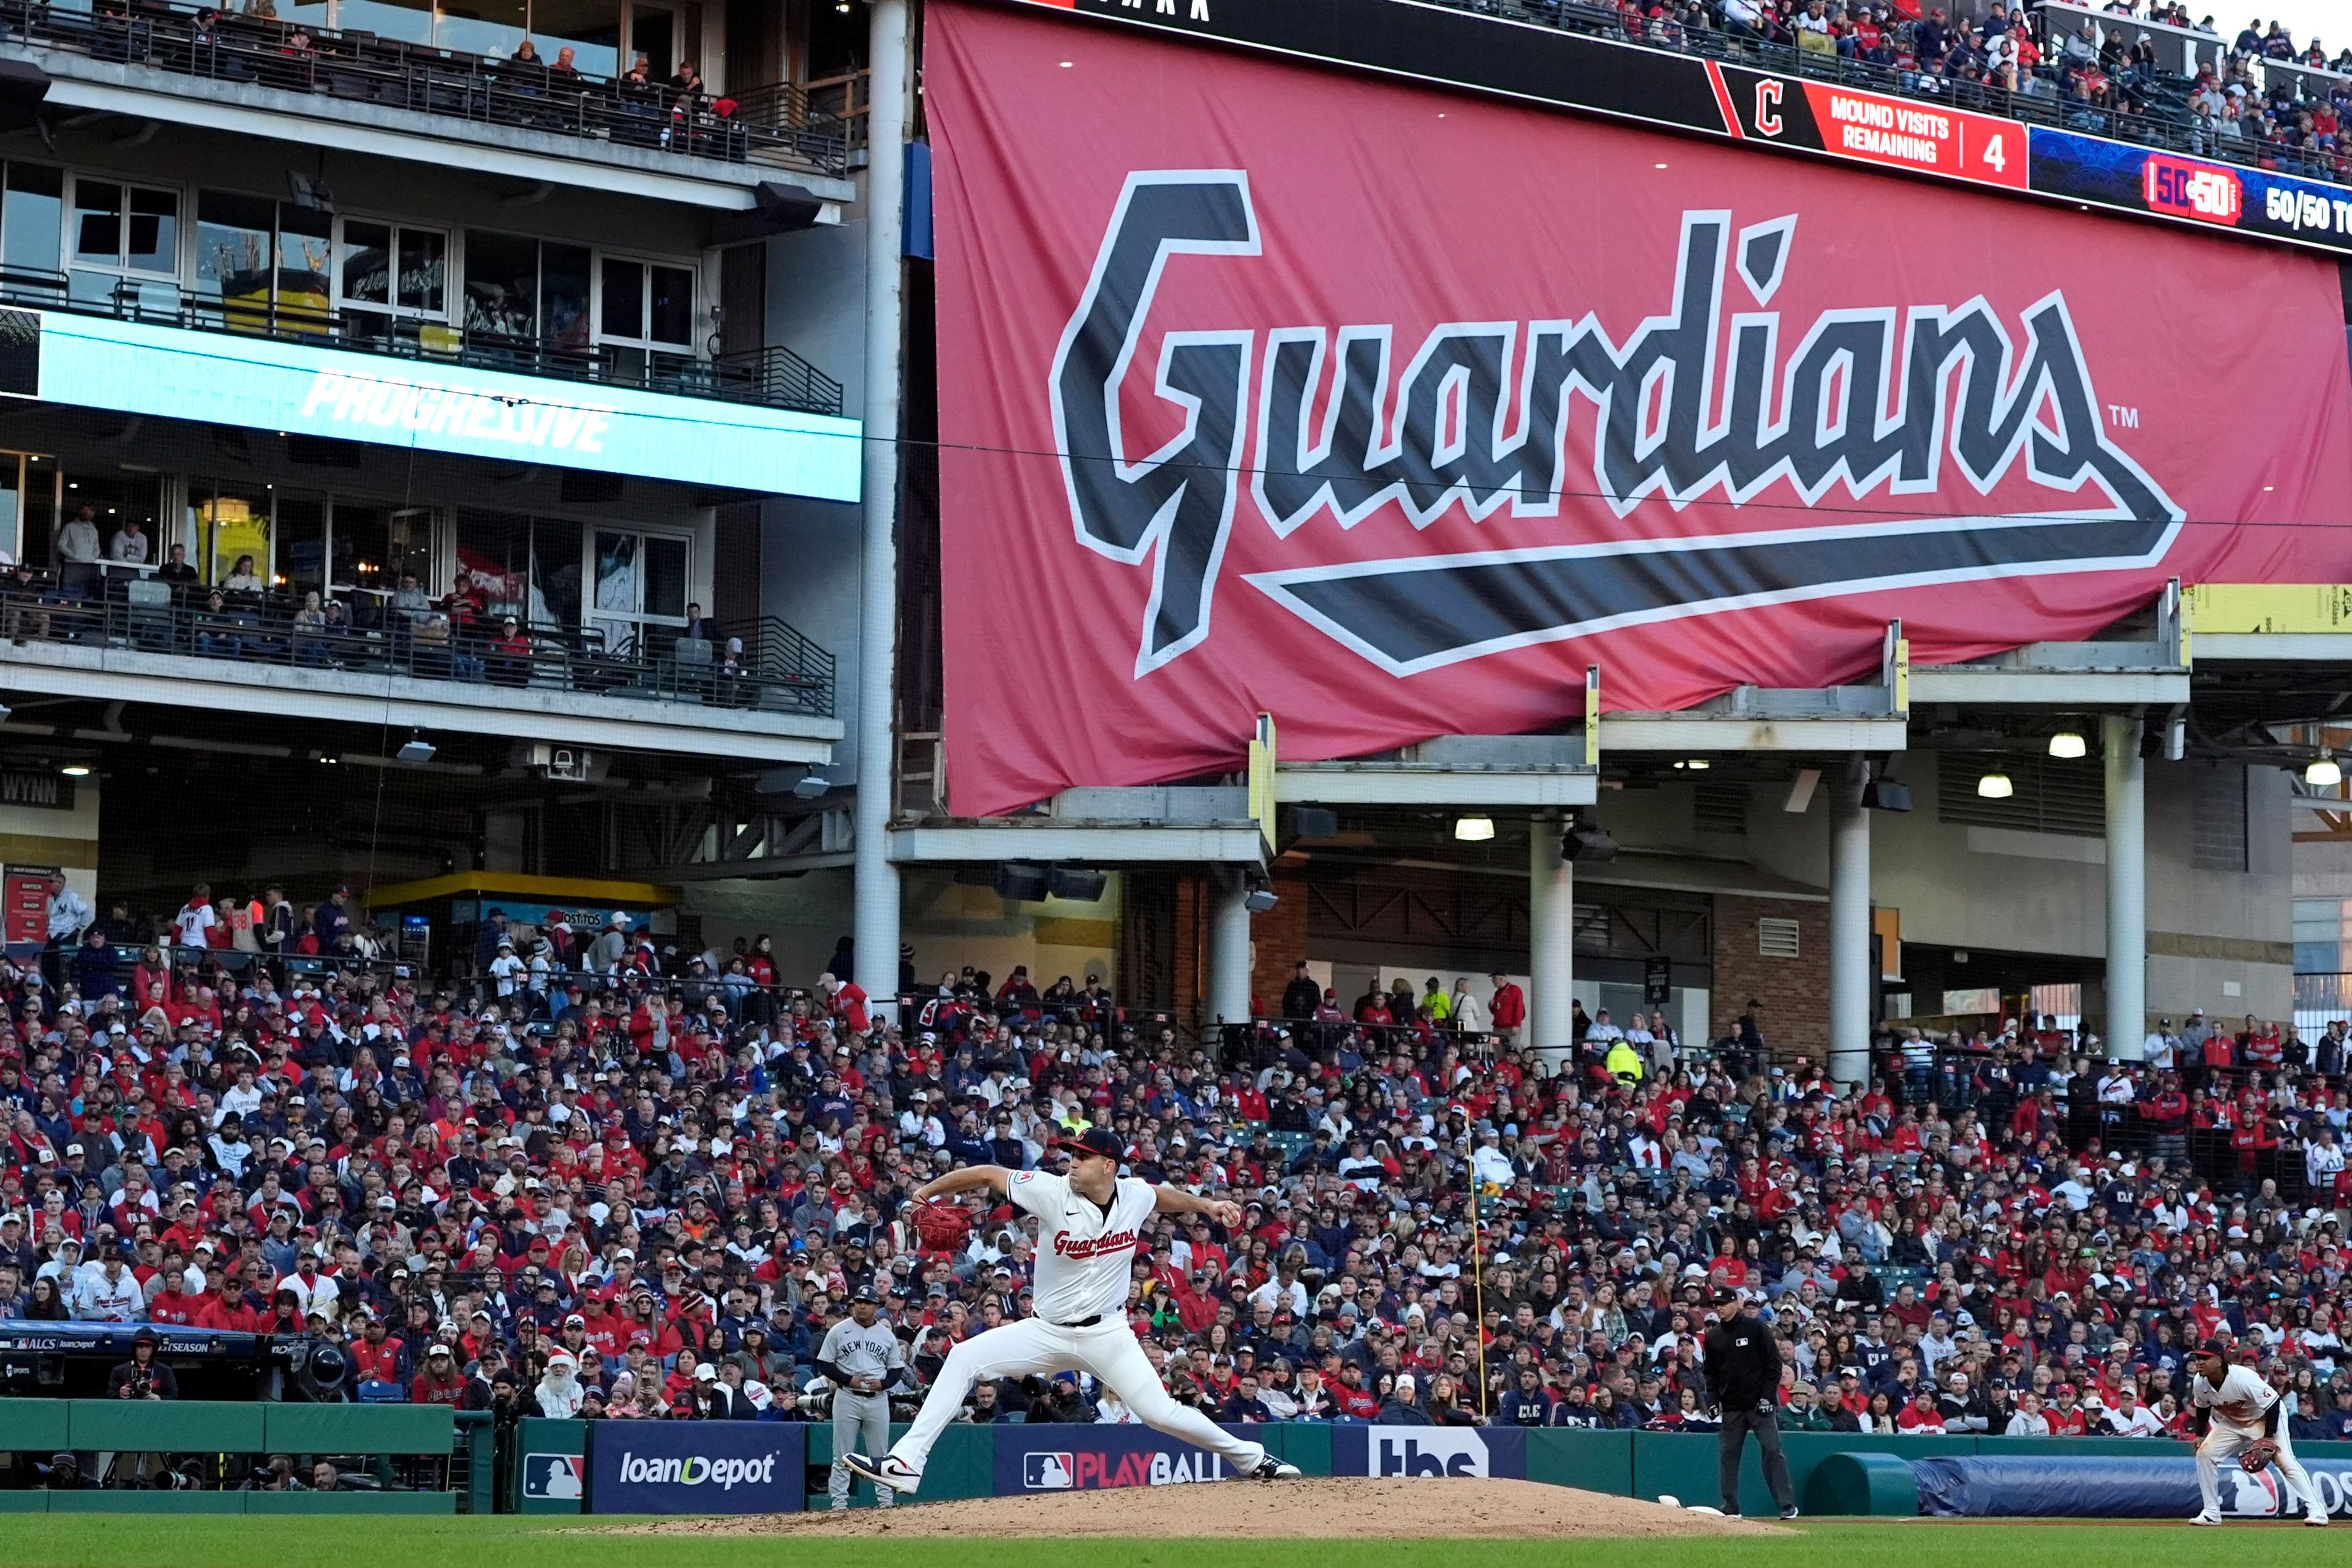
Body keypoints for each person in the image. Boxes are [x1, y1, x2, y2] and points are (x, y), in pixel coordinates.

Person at [843, 1128, 1301, 1496]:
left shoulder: (1133, 1195)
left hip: (1107, 1334)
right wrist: (926, 1191)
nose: (1072, 1162)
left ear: (1109, 1166)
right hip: (1045, 1330)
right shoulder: (1049, 1190)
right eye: (1071, 1155)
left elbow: (1157, 1195)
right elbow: (987, 1173)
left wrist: (1205, 1204)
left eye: (1081, 1157)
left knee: (1159, 1412)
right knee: (964, 1359)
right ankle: (906, 1464)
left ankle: (1252, 1459)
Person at [2187, 1338, 2328, 1526]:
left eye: (2205, 1358)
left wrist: (2268, 1437)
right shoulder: (2200, 1382)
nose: (2199, 1362)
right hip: (2232, 1423)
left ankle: (2317, 1511)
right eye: (2197, 1358)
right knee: (2205, 1454)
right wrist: (2200, 1435)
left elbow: (2273, 1404)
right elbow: (2202, 1407)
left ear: (2219, 1360)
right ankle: (2211, 1512)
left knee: (2285, 1461)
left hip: (2264, 1419)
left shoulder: (2242, 1377)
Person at [1701, 1287, 1797, 1520]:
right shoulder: (1714, 1337)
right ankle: (1731, 1507)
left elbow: (1773, 1365)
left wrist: (1767, 1396)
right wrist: (1713, 1400)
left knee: (1773, 1450)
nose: (1719, 1308)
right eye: (1716, 1304)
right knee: (1728, 1456)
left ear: (1736, 1303)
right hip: (1732, 1406)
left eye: (1723, 1303)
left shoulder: (1756, 1328)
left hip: (1758, 1404)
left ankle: (1787, 1506)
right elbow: (1711, 1374)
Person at [818, 1284, 908, 1510]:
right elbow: (824, 1363)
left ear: (876, 1307)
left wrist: (885, 1383)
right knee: (842, 1454)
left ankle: (885, 1502)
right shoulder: (839, 1330)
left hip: (877, 1398)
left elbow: (896, 1368)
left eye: (867, 1303)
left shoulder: (886, 1335)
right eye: (859, 1302)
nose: (862, 1306)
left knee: (880, 1455)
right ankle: (839, 1505)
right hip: (847, 1395)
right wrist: (848, 1379)